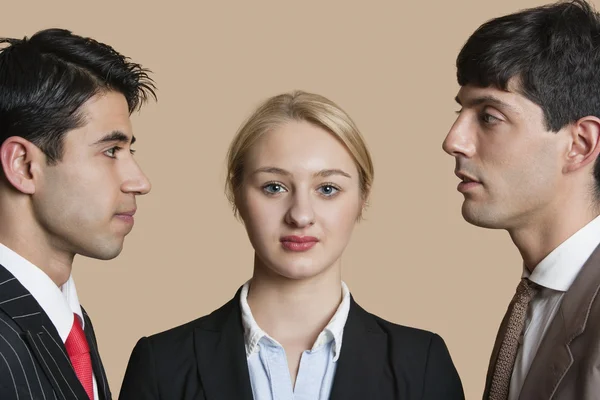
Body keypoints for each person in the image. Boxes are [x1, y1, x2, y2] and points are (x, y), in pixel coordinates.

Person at [119, 90, 464, 400]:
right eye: (274, 187)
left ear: (362, 198)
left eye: (327, 188)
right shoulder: (161, 364)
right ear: (236, 194)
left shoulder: (421, 365)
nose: (300, 215)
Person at [442, 0, 600, 398]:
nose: (453, 140)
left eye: (489, 116)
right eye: (461, 111)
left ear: (579, 145)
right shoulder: (539, 295)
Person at [0, 28, 155, 400]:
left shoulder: (68, 323)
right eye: (110, 150)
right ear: (23, 166)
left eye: (129, 151)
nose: (140, 181)